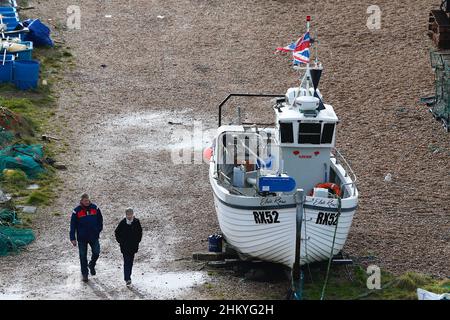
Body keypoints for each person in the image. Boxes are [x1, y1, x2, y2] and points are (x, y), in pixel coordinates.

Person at [69, 194, 103, 282]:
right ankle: (85, 274)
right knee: (82, 256)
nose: (87, 202)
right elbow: (72, 225)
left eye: (88, 200)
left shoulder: (95, 208)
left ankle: (91, 264)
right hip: (82, 238)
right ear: (81, 201)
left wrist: (98, 230)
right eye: (85, 201)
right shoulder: (76, 211)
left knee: (96, 252)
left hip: (94, 236)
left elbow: (100, 220)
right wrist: (72, 238)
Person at [114, 208, 142, 286]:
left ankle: (128, 276)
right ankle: (127, 278)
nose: (129, 216)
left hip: (133, 246)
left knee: (131, 262)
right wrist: (120, 241)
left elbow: (140, 233)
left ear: (133, 214)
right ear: (126, 215)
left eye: (130, 214)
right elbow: (117, 232)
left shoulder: (136, 222)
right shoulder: (123, 222)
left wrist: (137, 241)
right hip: (125, 247)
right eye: (128, 215)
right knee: (127, 261)